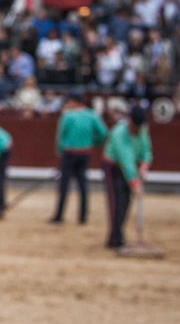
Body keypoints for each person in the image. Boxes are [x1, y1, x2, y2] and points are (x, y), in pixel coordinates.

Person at [49, 91, 107, 224]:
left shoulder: (67, 116)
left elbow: (60, 136)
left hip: (69, 154)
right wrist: (94, 144)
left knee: (64, 186)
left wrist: (59, 154)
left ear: (73, 101)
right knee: (83, 185)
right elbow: (103, 133)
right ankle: (82, 217)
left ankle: (59, 215)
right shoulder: (91, 115)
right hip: (85, 153)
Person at [101, 105, 152, 249]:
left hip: (127, 168)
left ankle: (117, 236)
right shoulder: (119, 133)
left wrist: (144, 165)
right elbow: (126, 160)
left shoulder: (142, 129)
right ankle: (115, 239)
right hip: (113, 167)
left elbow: (146, 149)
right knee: (116, 201)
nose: (136, 130)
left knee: (125, 202)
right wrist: (135, 184)